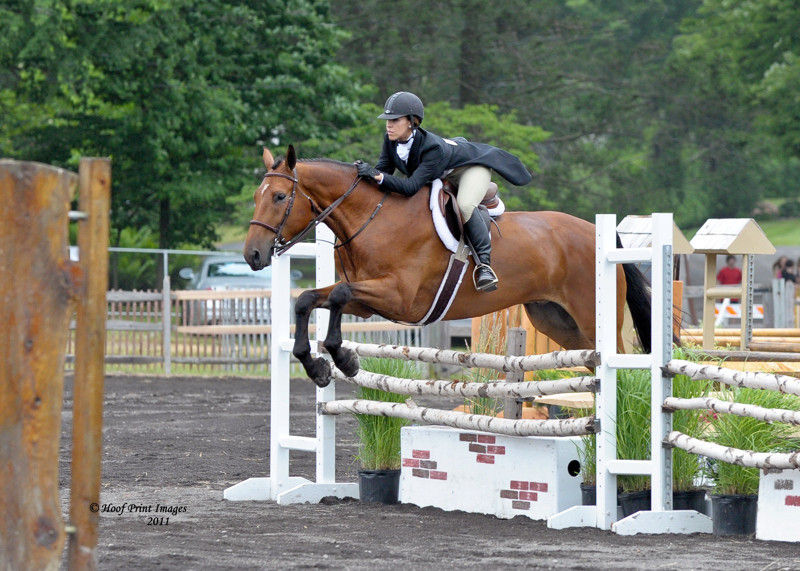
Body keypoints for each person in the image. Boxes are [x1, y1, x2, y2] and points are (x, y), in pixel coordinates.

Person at [354, 91, 532, 292]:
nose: (389, 125)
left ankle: (484, 266)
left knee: (465, 205)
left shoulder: (432, 148)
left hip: (470, 168)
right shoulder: (390, 140)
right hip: (443, 168)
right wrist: (365, 175)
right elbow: (384, 170)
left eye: (395, 120)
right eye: (387, 120)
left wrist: (377, 176)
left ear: (413, 122)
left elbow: (410, 187)